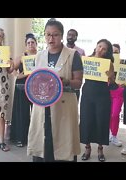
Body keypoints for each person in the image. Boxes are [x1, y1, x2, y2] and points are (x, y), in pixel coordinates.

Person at [27, 19, 83, 162]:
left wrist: (65, 81)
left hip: (63, 106)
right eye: (48, 35)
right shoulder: (39, 56)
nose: (51, 39)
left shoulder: (73, 55)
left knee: (63, 143)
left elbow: (78, 83)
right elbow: (34, 80)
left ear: (62, 35)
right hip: (42, 106)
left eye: (55, 35)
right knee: (42, 141)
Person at [79, 39, 115, 162]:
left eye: (104, 48)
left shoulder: (108, 63)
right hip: (88, 93)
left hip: (103, 95)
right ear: (96, 46)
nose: (100, 49)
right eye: (99, 46)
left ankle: (100, 148)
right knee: (86, 120)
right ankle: (87, 148)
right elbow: (79, 75)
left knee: (101, 120)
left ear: (107, 51)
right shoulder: (87, 59)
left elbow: (113, 83)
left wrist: (111, 76)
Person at [10, 33, 36, 147]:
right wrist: (19, 75)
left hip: (35, 87)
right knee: (22, 113)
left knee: (36, 113)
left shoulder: (40, 56)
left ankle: (35, 138)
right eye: (28, 43)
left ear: (36, 44)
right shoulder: (21, 56)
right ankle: (20, 138)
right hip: (21, 86)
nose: (31, 44)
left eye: (33, 42)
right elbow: (12, 69)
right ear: (26, 45)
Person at [109, 43, 124, 147]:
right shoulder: (105, 63)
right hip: (106, 91)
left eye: (116, 52)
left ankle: (114, 135)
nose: (114, 54)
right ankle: (108, 134)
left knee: (115, 114)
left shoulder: (123, 63)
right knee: (107, 114)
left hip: (118, 91)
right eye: (112, 52)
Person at [66, 29, 85, 101]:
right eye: (69, 35)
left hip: (75, 83)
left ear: (76, 37)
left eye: (73, 35)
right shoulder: (61, 49)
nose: (70, 37)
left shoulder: (80, 51)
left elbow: (83, 66)